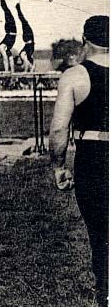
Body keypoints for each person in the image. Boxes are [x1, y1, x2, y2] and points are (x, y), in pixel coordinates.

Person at [49, 15, 108, 305]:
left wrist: (59, 167)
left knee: (101, 237)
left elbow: (59, 129)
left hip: (94, 160)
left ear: (85, 41)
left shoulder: (74, 76)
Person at [16, 2, 36, 72]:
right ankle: (31, 68)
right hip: (29, 44)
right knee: (24, 56)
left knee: (24, 56)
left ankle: (30, 68)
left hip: (29, 44)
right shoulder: (26, 28)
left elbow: (21, 17)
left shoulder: (26, 27)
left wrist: (18, 9)